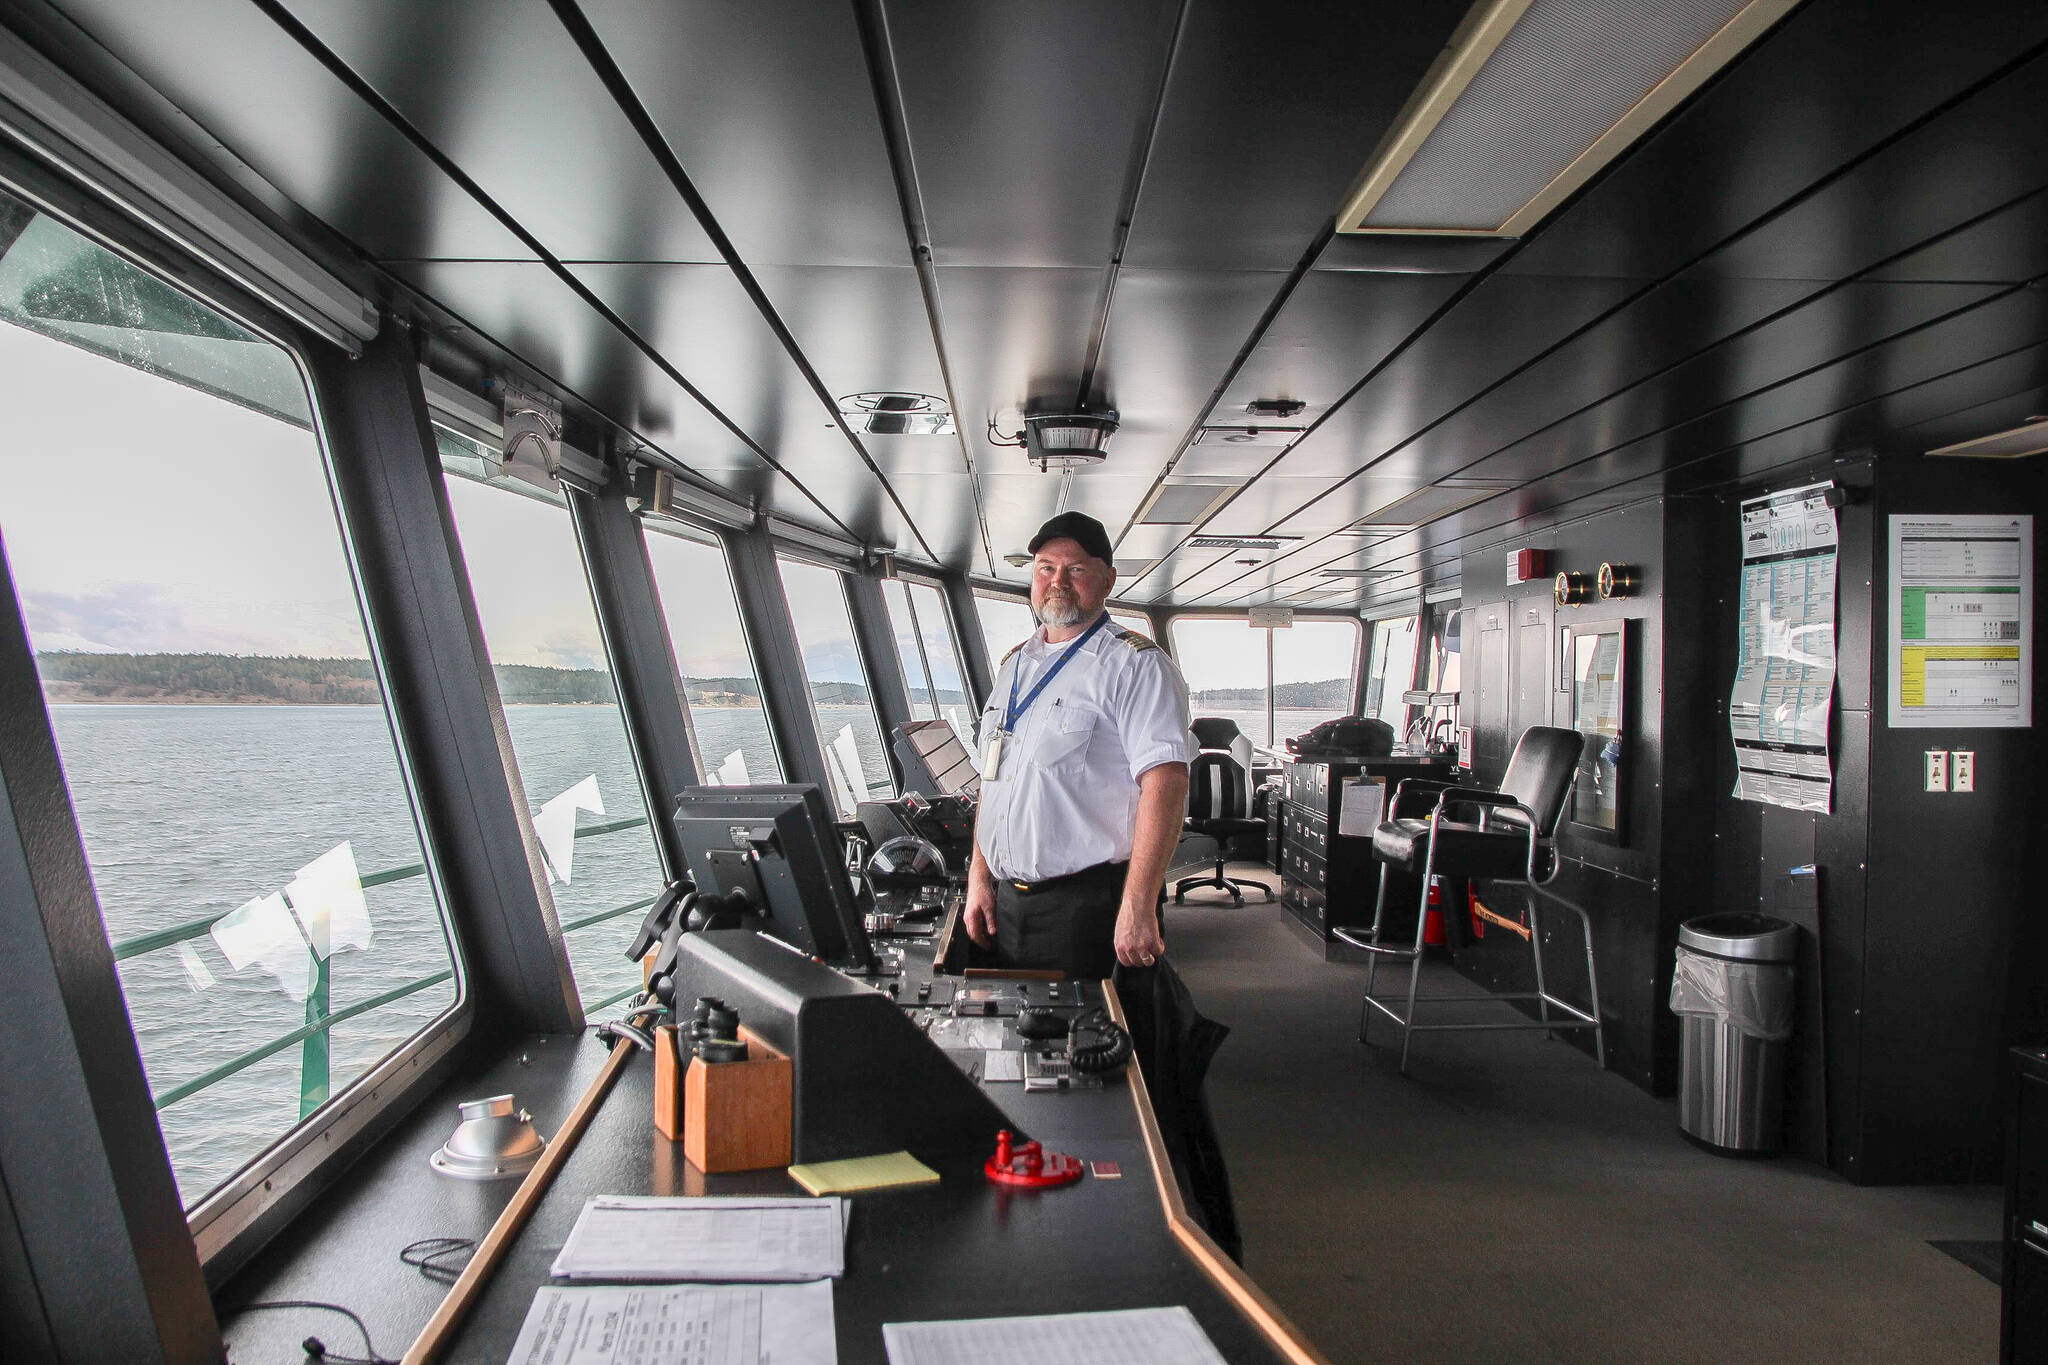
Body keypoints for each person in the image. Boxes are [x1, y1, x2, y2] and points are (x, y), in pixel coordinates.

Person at [962, 511, 1193, 978]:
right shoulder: (1013, 668)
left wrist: (1139, 903)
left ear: (1107, 580)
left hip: (1089, 908)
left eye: (1077, 569)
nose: (1058, 581)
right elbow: (996, 780)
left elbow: (1166, 784)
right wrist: (979, 878)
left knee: (1098, 1045)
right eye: (1046, 568)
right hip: (1008, 905)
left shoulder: (1135, 666)